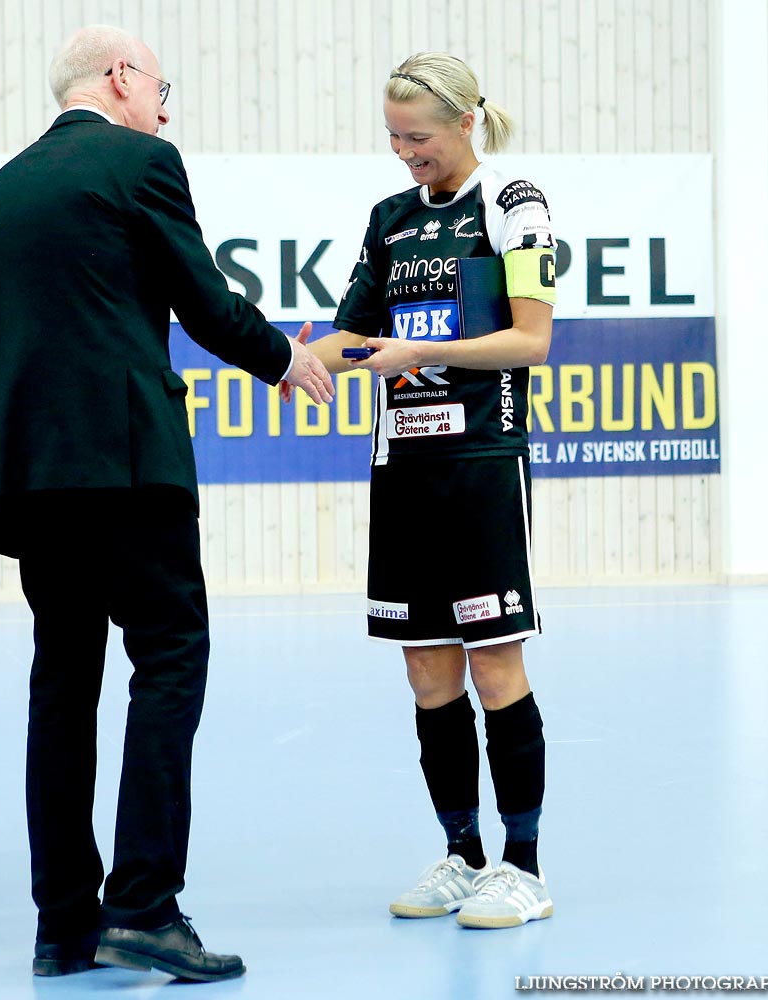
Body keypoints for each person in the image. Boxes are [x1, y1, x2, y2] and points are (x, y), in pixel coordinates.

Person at [0, 24, 333, 984]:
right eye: (163, 86)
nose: (166, 107)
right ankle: (146, 910)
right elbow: (201, 298)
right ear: (120, 78)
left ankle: (63, 926)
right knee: (169, 657)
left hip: (31, 478)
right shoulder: (140, 160)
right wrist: (287, 359)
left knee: (63, 681)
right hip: (124, 465)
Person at [294, 52, 557, 929]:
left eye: (418, 137)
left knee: (493, 664)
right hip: (401, 469)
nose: (405, 154)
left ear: (464, 123)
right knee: (425, 669)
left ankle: (522, 868)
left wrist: (424, 355)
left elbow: (529, 342)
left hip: (481, 464)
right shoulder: (391, 219)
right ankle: (461, 853)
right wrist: (285, 357)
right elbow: (353, 337)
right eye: (393, 139)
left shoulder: (514, 203)